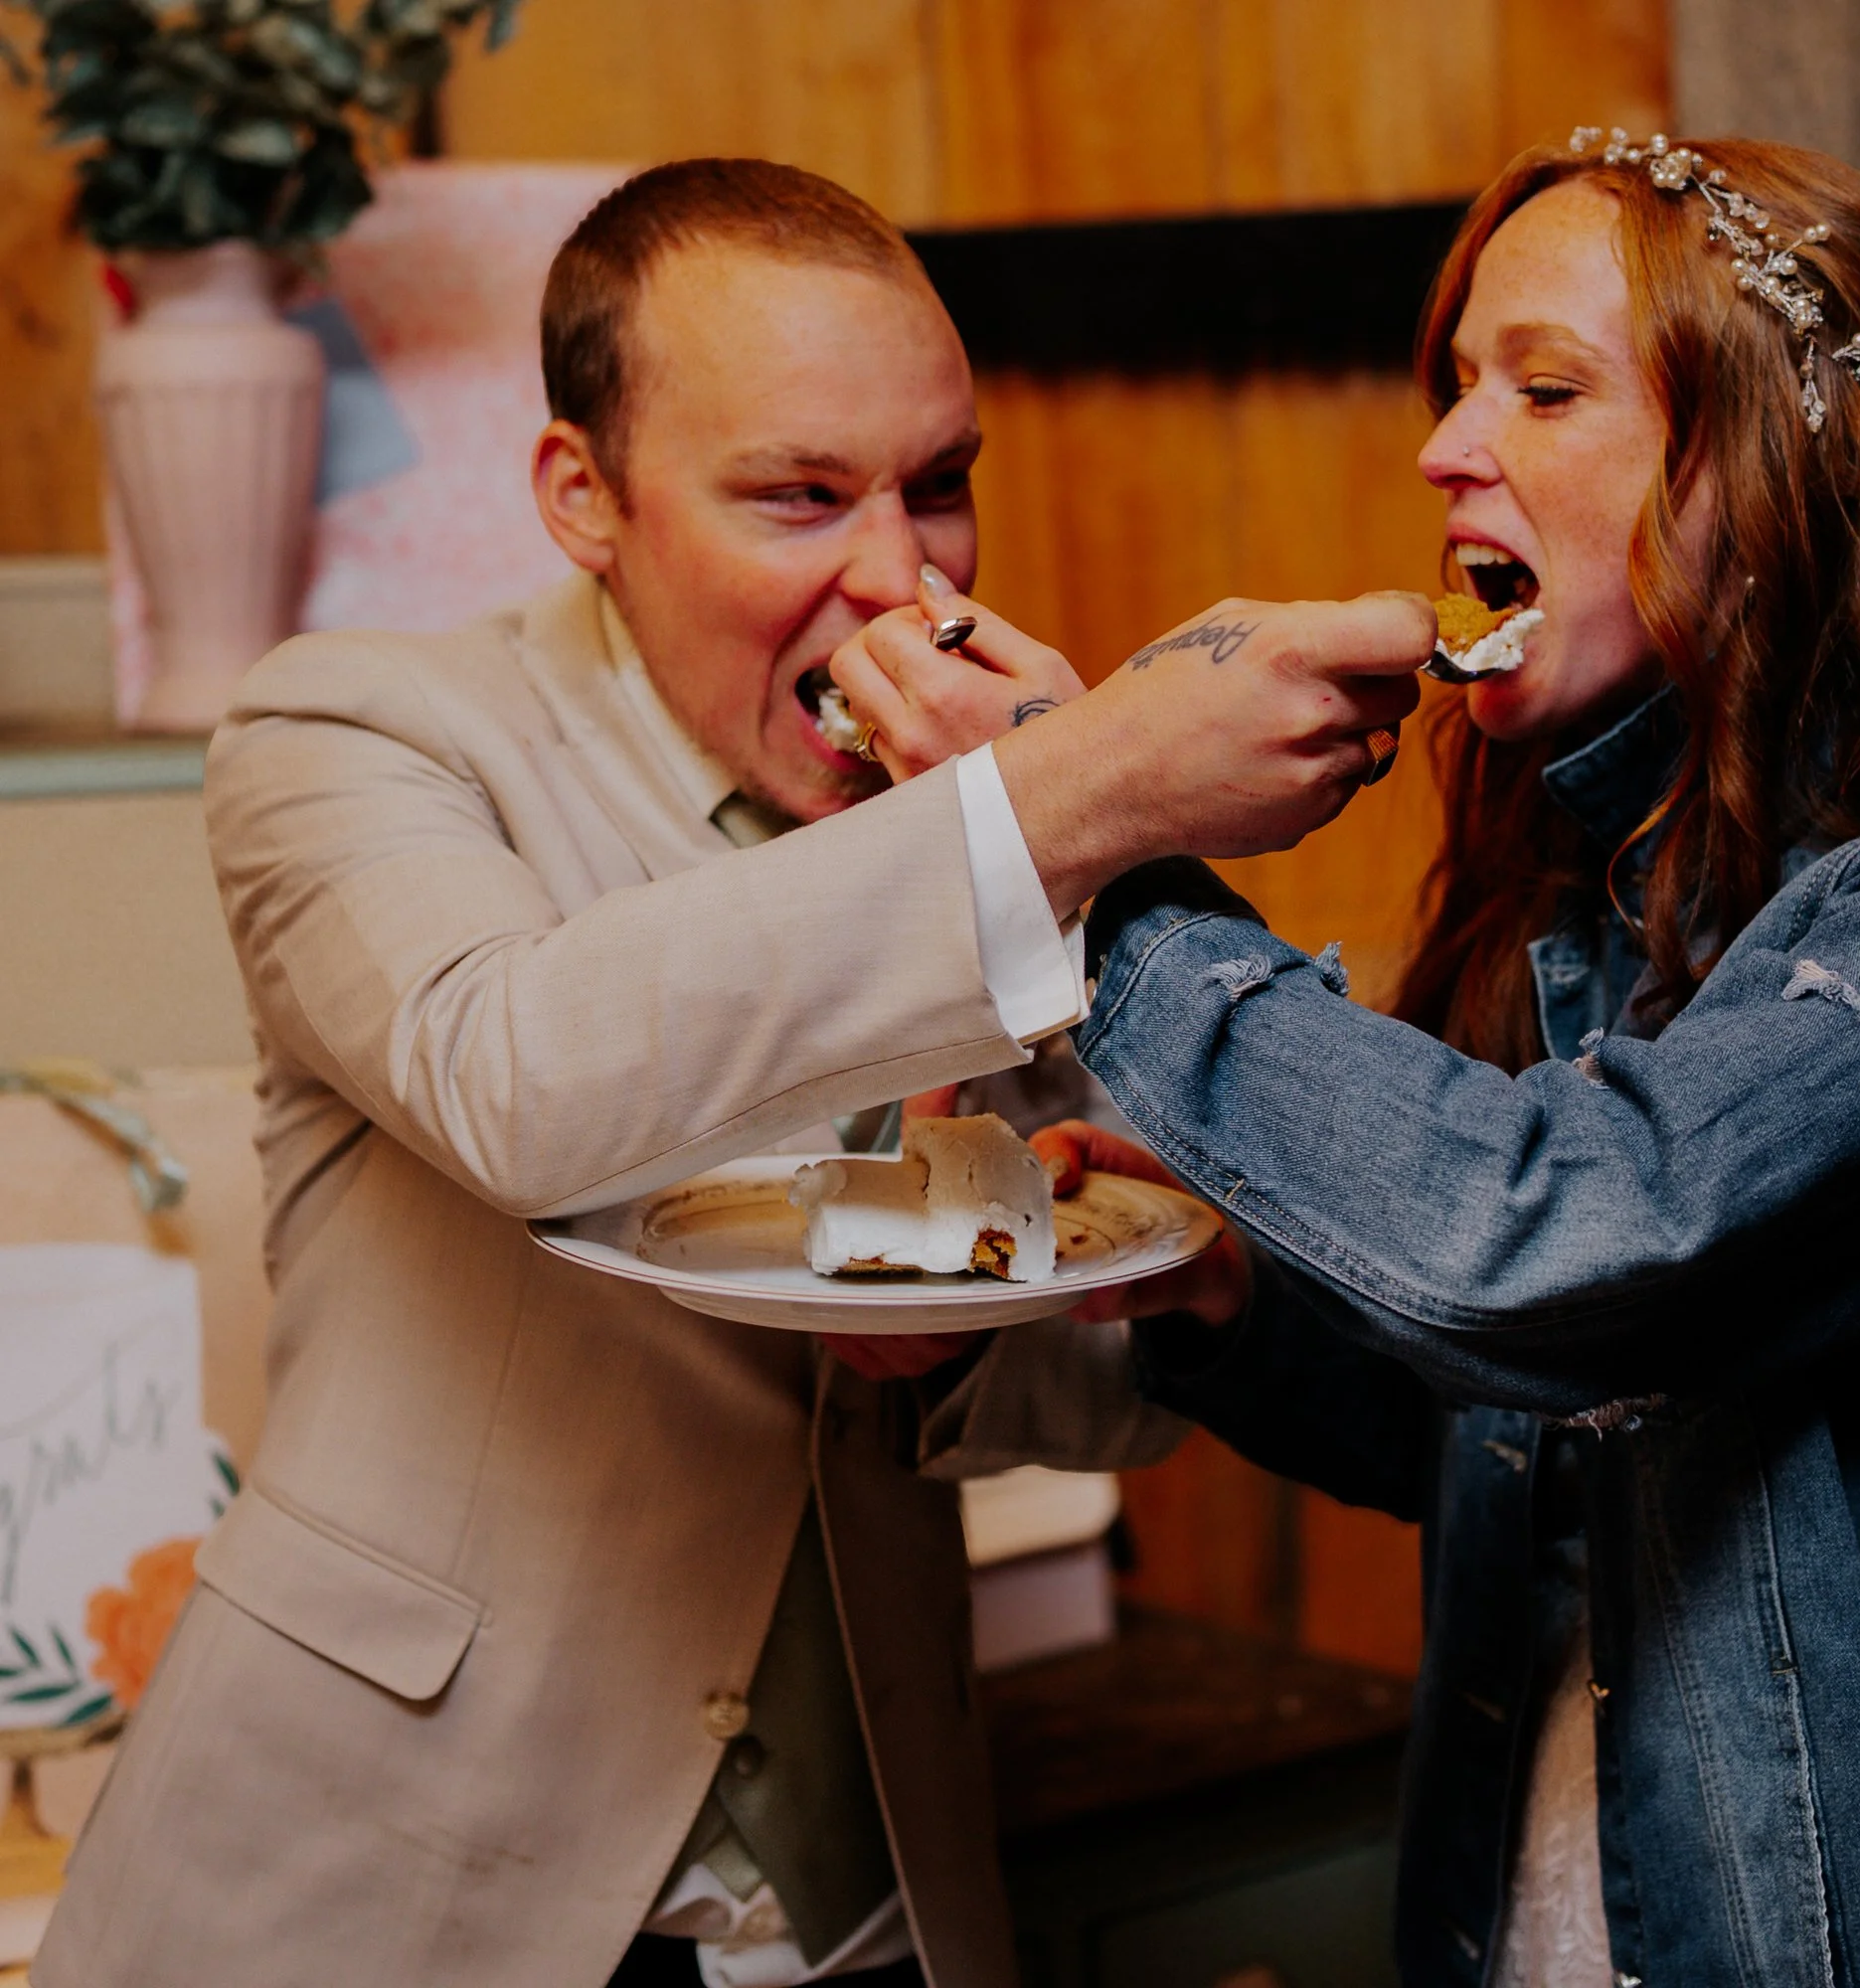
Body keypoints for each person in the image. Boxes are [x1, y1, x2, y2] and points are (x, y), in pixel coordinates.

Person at [848, 133, 1860, 1987]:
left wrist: (1078, 846)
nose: (1442, 446)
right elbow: (1515, 1431)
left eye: (1547, 386)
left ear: (1767, 468)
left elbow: (1573, 1244)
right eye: (1453, 383)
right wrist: (1230, 1291)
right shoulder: (1589, 902)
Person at [35, 160, 1426, 1988]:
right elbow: (514, 1073)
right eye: (796, 496)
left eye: (941, 487)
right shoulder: (355, 728)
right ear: (581, 499)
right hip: (376, 1891)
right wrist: (1072, 794)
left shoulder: (983, 818)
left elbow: (1109, 1393)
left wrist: (1010, 1337)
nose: (896, 577)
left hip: (868, 1905)